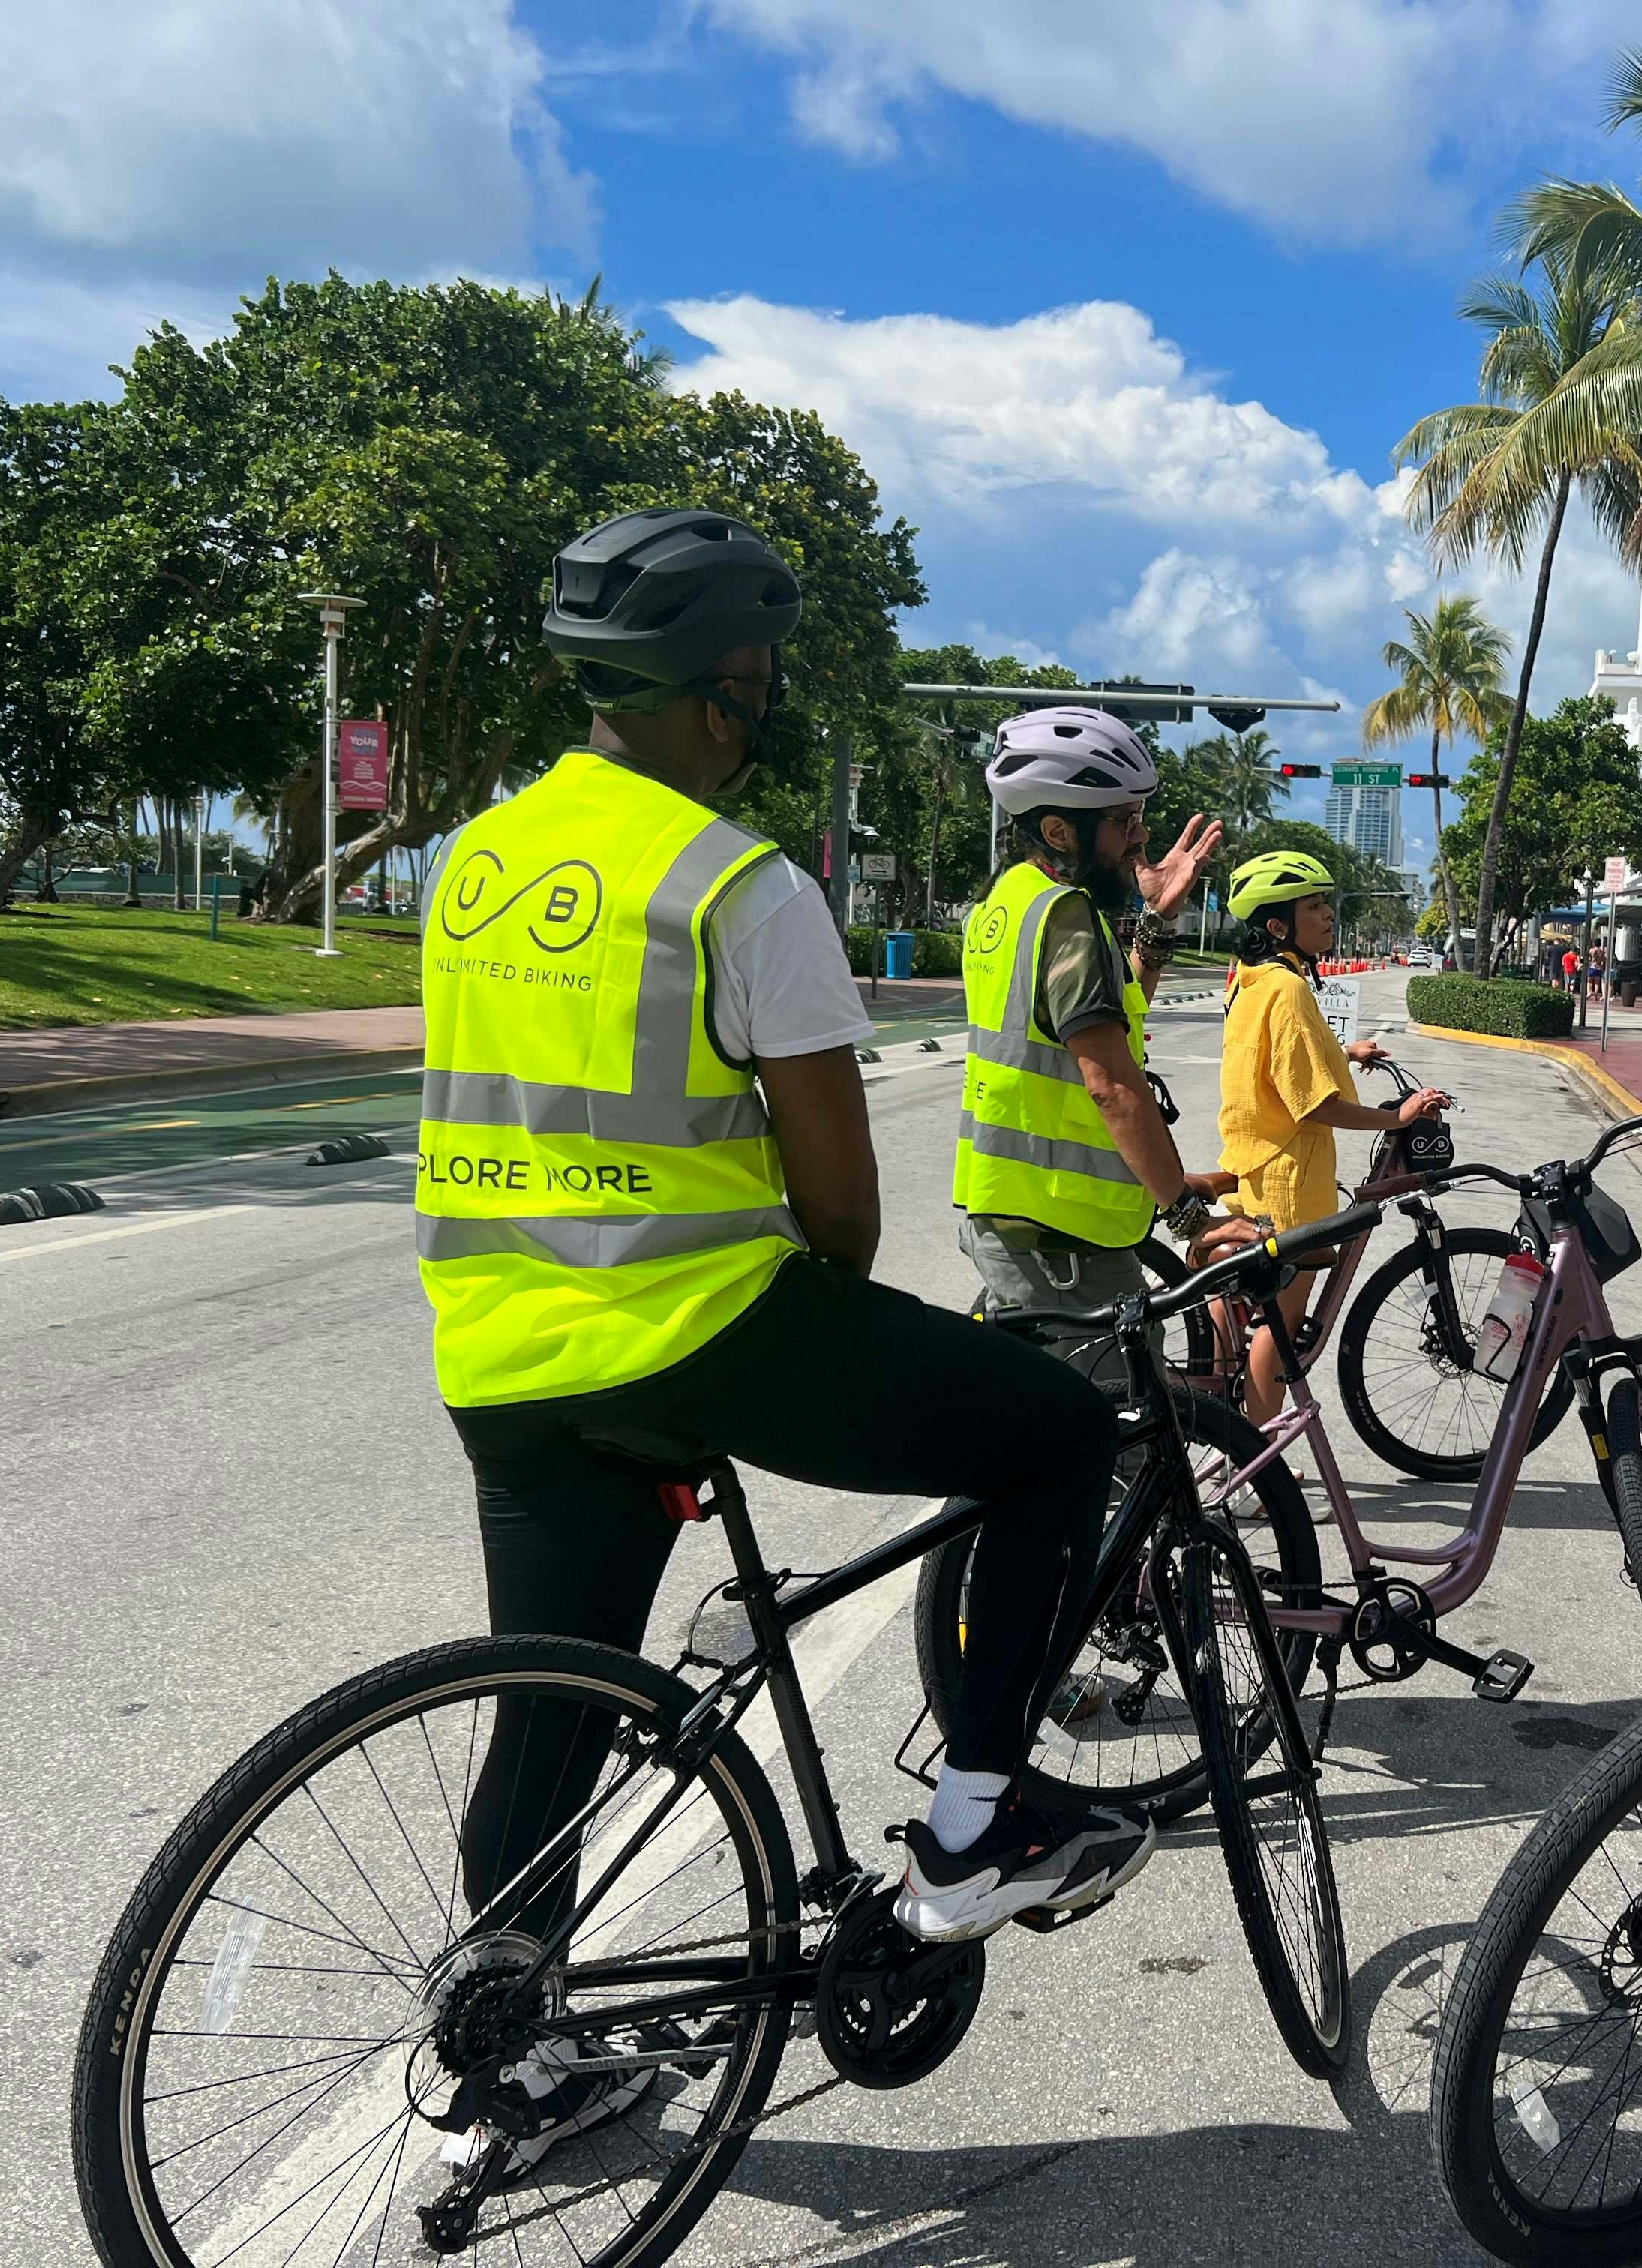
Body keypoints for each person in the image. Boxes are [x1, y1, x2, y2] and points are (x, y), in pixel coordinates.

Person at [419, 512, 1166, 2087]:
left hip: (499, 1351)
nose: (755, 721)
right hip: (706, 1324)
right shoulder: (737, 885)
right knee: (1048, 1435)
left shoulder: (472, 865)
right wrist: (829, 1328)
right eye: (752, 689)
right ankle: (976, 1826)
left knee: (551, 1712)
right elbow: (836, 1196)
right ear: (711, 695)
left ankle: (513, 2063)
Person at [953, 705, 1254, 1354]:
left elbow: (1118, 1016)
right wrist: (1189, 1217)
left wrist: (1159, 918)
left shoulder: (1004, 905)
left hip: (1026, 1220)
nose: (1141, 840)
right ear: (1060, 830)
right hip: (1062, 1242)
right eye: (1124, 823)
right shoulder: (1067, 917)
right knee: (1120, 1438)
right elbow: (1112, 1084)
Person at [1217, 850, 1449, 1420]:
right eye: (1314, 906)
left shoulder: (1254, 980)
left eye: (1327, 904)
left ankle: (1223, 1430)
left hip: (1253, 1164)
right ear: (1278, 925)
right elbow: (1317, 1105)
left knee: (1235, 1314)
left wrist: (1344, 1051)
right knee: (1279, 1326)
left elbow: (1278, 1054)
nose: (1327, 915)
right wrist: (1399, 1117)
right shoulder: (1290, 989)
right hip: (1290, 1181)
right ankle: (1257, 1461)